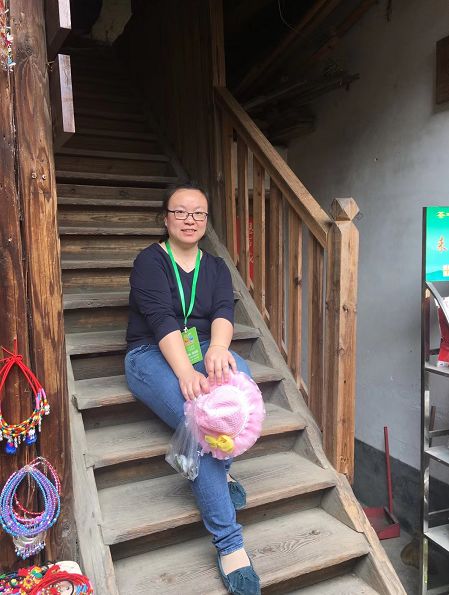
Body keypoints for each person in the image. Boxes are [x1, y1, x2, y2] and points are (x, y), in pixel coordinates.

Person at [124, 183, 261, 595]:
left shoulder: (215, 266)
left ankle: (222, 473)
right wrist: (185, 372)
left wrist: (218, 348)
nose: (190, 219)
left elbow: (222, 311)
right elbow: (161, 319)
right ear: (166, 218)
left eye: (198, 213)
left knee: (239, 393)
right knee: (201, 421)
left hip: (202, 346)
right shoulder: (150, 261)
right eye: (181, 212)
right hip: (150, 352)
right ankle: (230, 543)